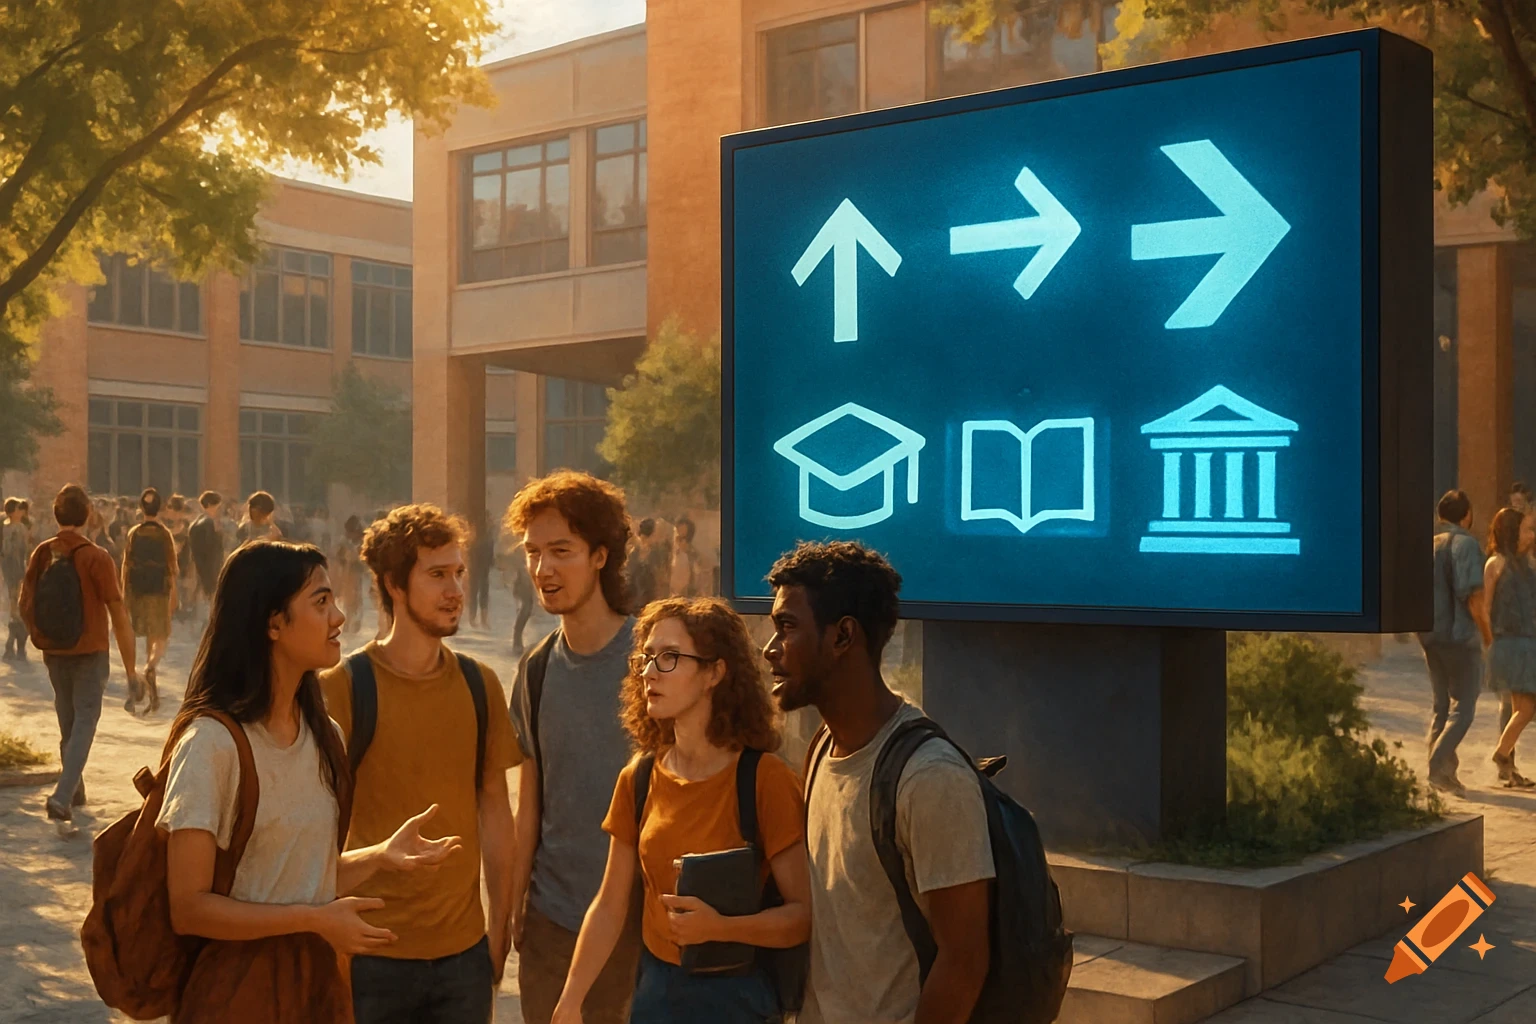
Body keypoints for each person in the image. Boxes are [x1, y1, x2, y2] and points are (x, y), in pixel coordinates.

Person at [159, 540, 462, 1022]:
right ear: (273, 623)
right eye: (321, 602)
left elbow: (296, 880)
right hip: (239, 995)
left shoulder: (326, 737)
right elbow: (190, 908)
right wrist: (314, 920)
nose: (338, 617)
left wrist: (380, 856)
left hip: (318, 990)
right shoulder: (211, 744)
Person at [764, 541, 993, 1024]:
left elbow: (965, 961)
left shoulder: (930, 779)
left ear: (843, 636)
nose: (770, 649)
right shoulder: (823, 748)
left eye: (787, 627)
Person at [552, 597, 811, 1024]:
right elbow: (610, 902)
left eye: (670, 657)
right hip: (657, 990)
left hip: (737, 997)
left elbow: (801, 917)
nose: (650, 672)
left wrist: (720, 928)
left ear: (715, 672)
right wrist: (571, 999)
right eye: (647, 658)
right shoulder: (638, 777)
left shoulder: (765, 779)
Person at [320, 504, 520, 1024]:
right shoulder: (342, 689)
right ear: (394, 584)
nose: (455, 589)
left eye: (458, 572)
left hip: (463, 958)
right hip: (370, 956)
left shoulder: (481, 685)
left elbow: (496, 811)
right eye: (437, 575)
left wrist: (499, 928)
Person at [504, 470, 644, 1024]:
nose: (544, 569)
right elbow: (532, 799)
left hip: (642, 928)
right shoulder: (536, 669)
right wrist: (517, 905)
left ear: (601, 556)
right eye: (533, 552)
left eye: (561, 551)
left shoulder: (652, 657)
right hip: (553, 925)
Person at [18, 485, 140, 827]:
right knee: (85, 719)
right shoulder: (96, 556)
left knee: (67, 718)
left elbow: (24, 603)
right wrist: (131, 671)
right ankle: (62, 794)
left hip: (54, 650)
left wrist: (40, 637)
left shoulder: (42, 552)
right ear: (87, 515)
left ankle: (75, 789)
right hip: (90, 649)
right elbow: (118, 614)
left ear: (57, 515)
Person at [1418, 490, 1491, 797]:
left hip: (1429, 635)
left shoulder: (1428, 545)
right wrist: (1487, 635)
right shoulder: (1466, 545)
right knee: (1464, 709)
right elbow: (1473, 597)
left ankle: (1447, 773)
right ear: (1467, 515)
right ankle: (1436, 767)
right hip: (1459, 637)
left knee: (1441, 706)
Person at [1484, 507, 1536, 789]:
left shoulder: (1528, 565)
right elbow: (1486, 607)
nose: (1531, 535)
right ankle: (1502, 754)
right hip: (1511, 644)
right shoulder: (1497, 563)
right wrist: (1490, 643)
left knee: (1520, 708)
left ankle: (1508, 763)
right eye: (1527, 529)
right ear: (1512, 531)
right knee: (1526, 709)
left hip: (1528, 643)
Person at [121, 488, 178, 714]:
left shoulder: (134, 533)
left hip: (137, 591)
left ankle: (146, 691)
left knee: (142, 634)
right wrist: (175, 594)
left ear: (141, 508)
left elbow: (126, 564)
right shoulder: (165, 534)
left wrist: (124, 593)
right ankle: (151, 666)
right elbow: (172, 566)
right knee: (159, 636)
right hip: (159, 591)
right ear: (160, 508)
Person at [188, 491, 227, 625]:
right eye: (217, 506)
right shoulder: (208, 524)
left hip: (199, 564)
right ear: (210, 505)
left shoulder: (195, 523)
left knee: (200, 597)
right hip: (209, 566)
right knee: (208, 597)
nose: (219, 510)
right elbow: (211, 549)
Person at [2, 496, 33, 660]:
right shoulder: (18, 528)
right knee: (19, 608)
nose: (22, 512)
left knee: (15, 609)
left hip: (8, 569)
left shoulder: (5, 526)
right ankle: (16, 646)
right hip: (16, 569)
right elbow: (22, 551)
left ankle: (11, 645)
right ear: (13, 512)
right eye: (19, 509)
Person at [336, 516, 366, 635]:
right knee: (349, 600)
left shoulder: (361, 542)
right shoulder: (345, 542)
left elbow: (363, 561)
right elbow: (340, 557)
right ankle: (348, 625)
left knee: (355, 599)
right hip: (348, 573)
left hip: (356, 573)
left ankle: (352, 624)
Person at [468, 511, 494, 630]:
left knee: (481, 593)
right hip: (476, 568)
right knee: (476, 593)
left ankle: (480, 620)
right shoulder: (476, 538)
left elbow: (490, 553)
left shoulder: (487, 537)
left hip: (482, 568)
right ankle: (473, 619)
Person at [627, 519, 661, 609]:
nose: (657, 537)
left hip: (651, 599)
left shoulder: (656, 553)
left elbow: (659, 577)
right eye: (655, 534)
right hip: (635, 599)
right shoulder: (634, 553)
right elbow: (630, 574)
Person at [670, 517, 697, 598]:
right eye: (676, 531)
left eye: (681, 537)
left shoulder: (692, 558)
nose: (676, 535)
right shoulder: (670, 553)